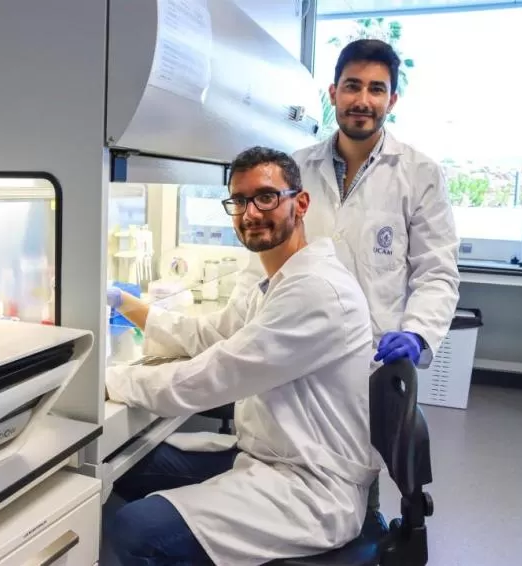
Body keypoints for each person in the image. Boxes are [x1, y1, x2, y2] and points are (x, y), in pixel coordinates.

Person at [103, 147, 380, 565]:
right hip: (270, 454)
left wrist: (110, 380)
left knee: (135, 530)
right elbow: (210, 335)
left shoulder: (317, 290)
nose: (251, 213)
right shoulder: (278, 281)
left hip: (310, 484)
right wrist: (124, 302)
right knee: (132, 464)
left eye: (266, 197)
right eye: (240, 200)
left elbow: (216, 375)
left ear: (301, 203)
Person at [230, 38, 460, 521]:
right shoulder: (296, 167)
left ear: (392, 100)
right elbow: (262, 259)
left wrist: (418, 333)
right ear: (334, 93)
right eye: (353, 86)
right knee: (283, 473)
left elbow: (436, 272)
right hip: (294, 349)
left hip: (368, 361)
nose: (363, 99)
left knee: (356, 482)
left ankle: (360, 534)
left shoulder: (419, 173)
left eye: (377, 89)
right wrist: (239, 325)